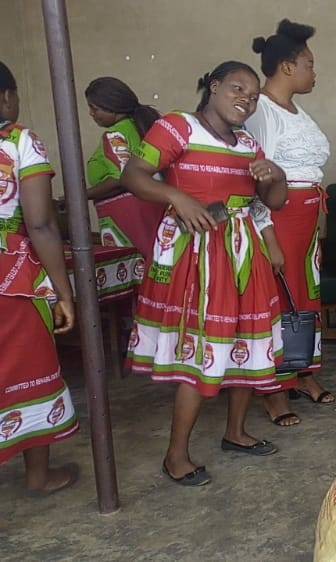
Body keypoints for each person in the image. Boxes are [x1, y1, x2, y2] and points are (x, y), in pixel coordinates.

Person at [122, 61, 288, 486]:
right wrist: (177, 195)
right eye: (237, 89)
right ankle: (176, 456)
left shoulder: (248, 142)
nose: (245, 101)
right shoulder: (178, 127)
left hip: (241, 250)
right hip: (195, 253)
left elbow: (272, 201)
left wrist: (275, 177)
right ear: (213, 87)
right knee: (203, 349)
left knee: (246, 341)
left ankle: (235, 432)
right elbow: (134, 176)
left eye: (252, 97)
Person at [244, 19, 333, 427]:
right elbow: (254, 176)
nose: (315, 72)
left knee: (305, 295)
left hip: (308, 212)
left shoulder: (297, 109)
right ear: (287, 67)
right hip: (280, 214)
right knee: (280, 297)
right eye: (309, 65)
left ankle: (302, 372)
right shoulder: (261, 110)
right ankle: (274, 389)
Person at [0, 61, 80, 495]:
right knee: (29, 367)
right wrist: (63, 291)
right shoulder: (19, 141)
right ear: (8, 95)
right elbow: (41, 224)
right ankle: (37, 475)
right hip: (10, 278)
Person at [85, 77, 166, 263]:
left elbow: (121, 179)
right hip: (149, 210)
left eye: (94, 108)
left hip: (127, 218)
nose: (91, 113)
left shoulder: (115, 134)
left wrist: (81, 196)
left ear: (111, 106)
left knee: (133, 269)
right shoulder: (140, 126)